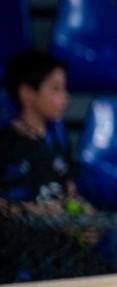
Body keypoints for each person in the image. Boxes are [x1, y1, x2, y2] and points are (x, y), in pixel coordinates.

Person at [0, 51, 89, 213]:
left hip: (57, 234)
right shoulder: (6, 142)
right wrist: (31, 211)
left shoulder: (58, 141)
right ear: (27, 93)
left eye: (64, 88)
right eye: (56, 89)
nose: (65, 97)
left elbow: (69, 191)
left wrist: (84, 214)